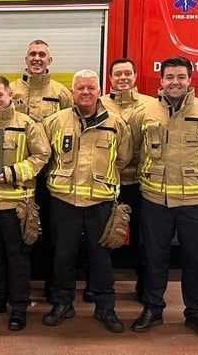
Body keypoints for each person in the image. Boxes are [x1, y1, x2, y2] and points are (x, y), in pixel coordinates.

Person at [128, 56, 198, 342]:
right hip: (155, 199)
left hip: (195, 201)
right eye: (169, 77)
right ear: (161, 80)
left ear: (190, 80)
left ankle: (197, 313)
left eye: (180, 77)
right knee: (154, 259)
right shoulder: (144, 112)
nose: (174, 82)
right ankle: (152, 309)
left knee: (195, 261)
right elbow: (134, 148)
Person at [41, 69, 131, 331]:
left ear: (99, 91)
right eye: (80, 88)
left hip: (100, 201)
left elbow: (123, 158)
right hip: (64, 200)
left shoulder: (116, 123)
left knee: (101, 258)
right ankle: (62, 304)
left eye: (91, 87)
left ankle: (105, 308)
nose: (85, 92)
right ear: (72, 92)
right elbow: (45, 157)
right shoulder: (55, 121)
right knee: (63, 255)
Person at [0, 76, 50, 331]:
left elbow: (42, 156)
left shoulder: (28, 125)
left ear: (10, 94)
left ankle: (19, 306)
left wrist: (10, 173)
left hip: (17, 206)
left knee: (17, 258)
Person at [10, 39, 74, 300]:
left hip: (50, 174)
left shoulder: (62, 93)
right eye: (32, 54)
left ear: (50, 60)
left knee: (51, 231)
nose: (37, 58)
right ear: (25, 59)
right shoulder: (10, 90)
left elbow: (72, 130)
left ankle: (52, 284)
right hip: (17, 176)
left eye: (42, 54)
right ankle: (17, 285)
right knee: (17, 231)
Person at [93, 58, 155, 301]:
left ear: (135, 76)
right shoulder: (99, 104)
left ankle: (144, 286)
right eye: (117, 74)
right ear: (110, 78)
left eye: (127, 73)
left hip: (139, 182)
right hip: (108, 182)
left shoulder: (151, 105)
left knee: (143, 238)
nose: (123, 78)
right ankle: (99, 285)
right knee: (104, 235)